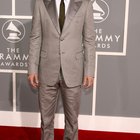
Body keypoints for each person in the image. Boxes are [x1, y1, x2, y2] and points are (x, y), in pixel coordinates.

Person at [28, 0, 95, 139]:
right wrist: (32, 68)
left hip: (73, 69)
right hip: (46, 69)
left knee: (72, 122)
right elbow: (35, 37)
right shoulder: (41, 3)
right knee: (46, 121)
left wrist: (89, 71)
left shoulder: (85, 4)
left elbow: (89, 40)